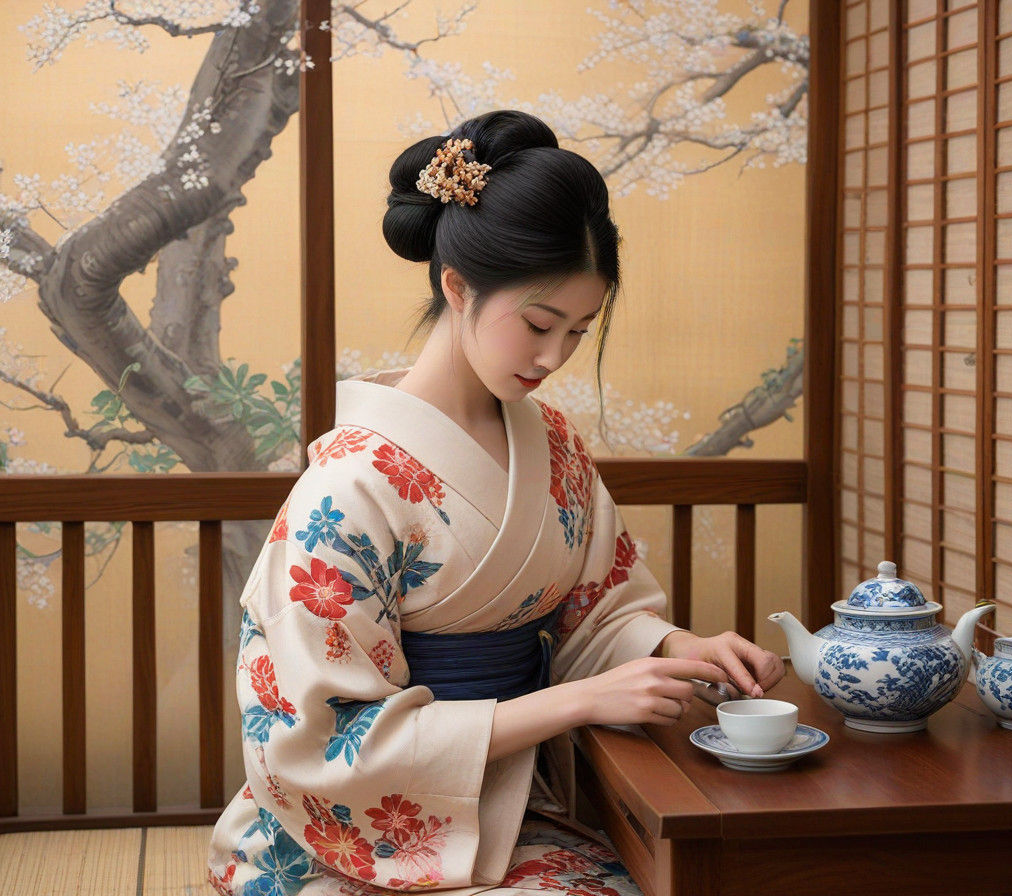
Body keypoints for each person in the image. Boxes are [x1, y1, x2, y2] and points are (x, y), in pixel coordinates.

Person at [208, 110, 785, 896]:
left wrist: (675, 647)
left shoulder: (553, 441)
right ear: (458, 287)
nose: (555, 358)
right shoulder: (348, 487)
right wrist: (578, 700)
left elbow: (599, 610)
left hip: (509, 797)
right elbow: (328, 740)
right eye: (540, 324)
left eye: (580, 331)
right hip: (362, 835)